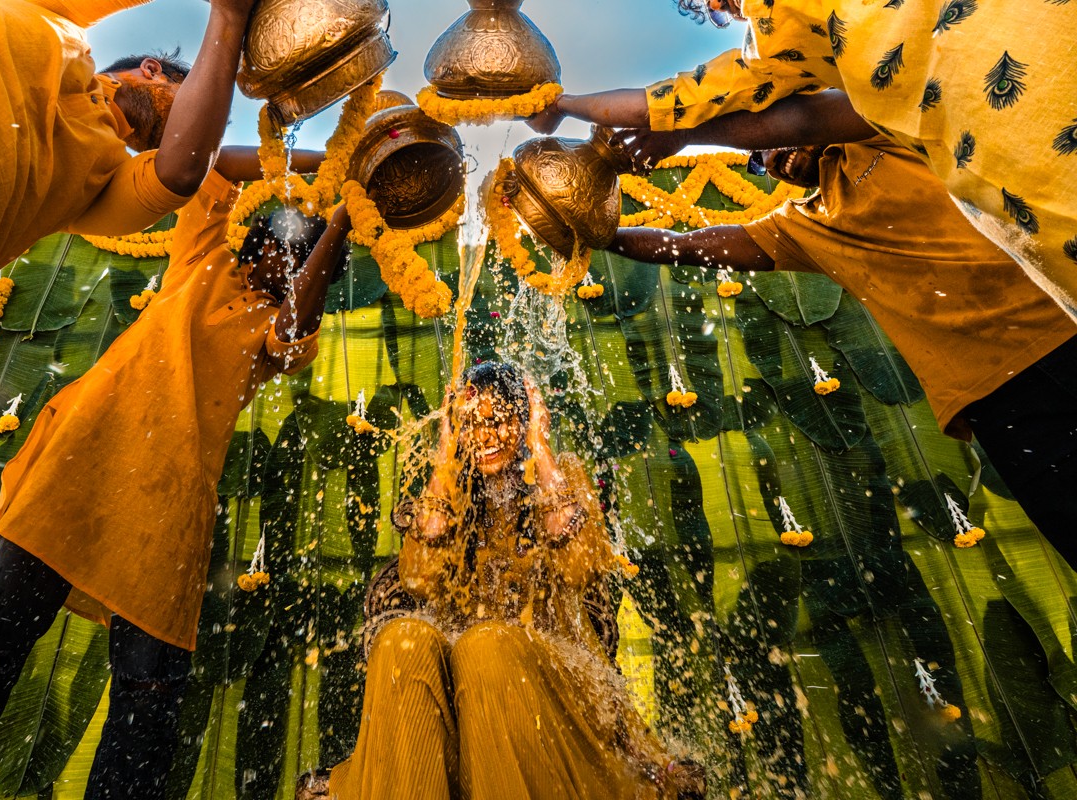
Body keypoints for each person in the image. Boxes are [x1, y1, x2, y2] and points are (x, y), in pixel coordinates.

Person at [0, 147, 349, 799]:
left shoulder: (281, 332)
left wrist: (342, 215)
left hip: (166, 511)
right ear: (259, 239)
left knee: (146, 705)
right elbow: (212, 164)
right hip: (75, 470)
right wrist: (322, 161)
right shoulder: (203, 256)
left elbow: (299, 319)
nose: (288, 260)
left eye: (305, 258)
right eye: (285, 244)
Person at [609, 91, 1077, 566]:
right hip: (995, 398)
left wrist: (683, 130)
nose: (768, 160)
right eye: (757, 161)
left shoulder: (881, 132)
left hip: (1065, 330)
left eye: (764, 142)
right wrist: (603, 235)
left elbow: (810, 118)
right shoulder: (804, 227)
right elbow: (687, 245)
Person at [0, 0, 258, 491]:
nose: (200, 116)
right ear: (150, 69)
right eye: (193, 94)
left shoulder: (104, 188)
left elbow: (185, 171)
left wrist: (229, 17)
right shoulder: (55, 18)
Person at [528, 0, 1077, 322]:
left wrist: (560, 105)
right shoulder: (823, 177)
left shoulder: (779, 36)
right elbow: (791, 124)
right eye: (758, 163)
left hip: (1023, 146)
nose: (768, 161)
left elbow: (673, 104)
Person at [319, 362, 707, 800]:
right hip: (463, 701)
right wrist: (444, 459)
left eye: (499, 421)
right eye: (471, 424)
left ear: (523, 421)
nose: (485, 436)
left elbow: (581, 568)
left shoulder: (560, 475)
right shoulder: (451, 490)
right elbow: (417, 577)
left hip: (550, 690)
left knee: (486, 646)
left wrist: (541, 451)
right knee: (402, 640)